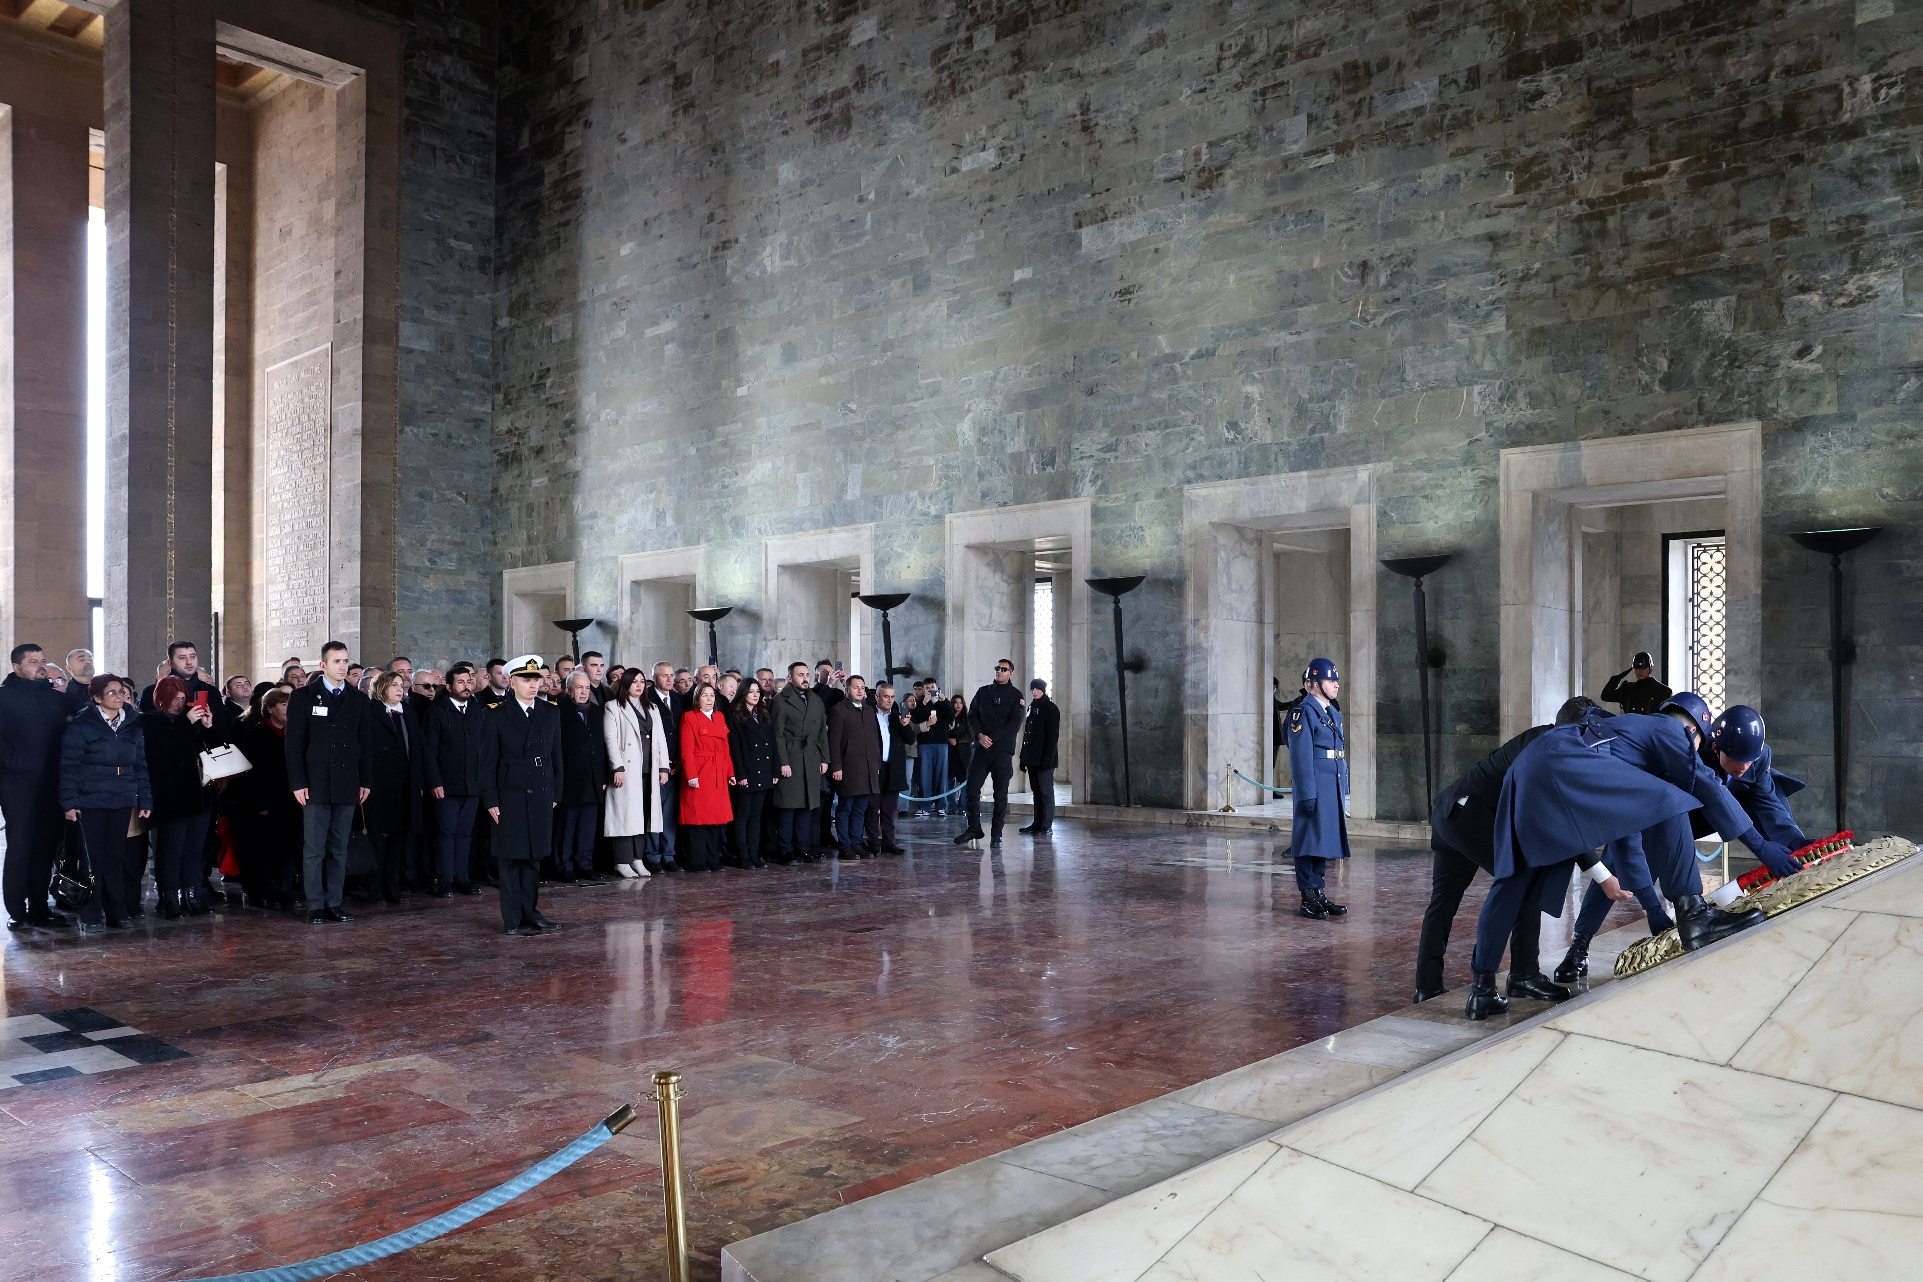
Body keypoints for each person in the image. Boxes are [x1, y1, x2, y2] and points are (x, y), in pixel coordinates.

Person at [1466, 701, 1776, 1019]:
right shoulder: (1670, 730)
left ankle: (1482, 990)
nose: (1695, 753)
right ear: (1693, 730)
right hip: (1562, 759)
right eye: (1698, 745)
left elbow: (1626, 840)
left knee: (1513, 881)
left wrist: (1653, 909)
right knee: (1672, 799)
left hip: (1533, 765)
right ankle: (1694, 914)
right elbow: (1705, 784)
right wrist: (1761, 846)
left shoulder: (1626, 749)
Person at [1554, 700, 1808, 983]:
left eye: (1750, 759)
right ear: (1715, 745)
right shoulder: (1672, 750)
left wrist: (1798, 845)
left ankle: (1697, 910)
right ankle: (1580, 946)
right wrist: (1651, 907)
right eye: (1737, 758)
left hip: (1721, 813)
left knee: (1770, 810)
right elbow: (1633, 833)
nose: (1744, 766)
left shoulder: (1754, 756)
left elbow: (1769, 805)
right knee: (1616, 863)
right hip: (1673, 811)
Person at [1414, 696, 1607, 1003]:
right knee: (1524, 882)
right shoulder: (1549, 751)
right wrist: (1601, 873)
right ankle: (1523, 975)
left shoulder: (1545, 739)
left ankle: (1427, 987)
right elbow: (1564, 821)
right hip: (1471, 818)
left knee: (1443, 903)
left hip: (1451, 812)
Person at [285, 640, 374, 925]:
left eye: (345, 661)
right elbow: (294, 746)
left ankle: (334, 903)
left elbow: (365, 745)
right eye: (337, 661)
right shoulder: (303, 697)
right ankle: (315, 905)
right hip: (315, 784)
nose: (343, 666)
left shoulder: (358, 699)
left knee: (339, 848)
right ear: (323, 665)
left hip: (347, 784)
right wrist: (298, 783)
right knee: (313, 849)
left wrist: (365, 781)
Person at [60, 675, 152, 928]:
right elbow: (68, 767)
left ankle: (117, 912)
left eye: (122, 692)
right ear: (97, 698)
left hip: (122, 797)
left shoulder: (133, 724)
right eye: (112, 693)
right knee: (92, 859)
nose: (120, 697)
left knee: (116, 857)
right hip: (90, 799)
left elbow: (141, 765)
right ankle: (90, 913)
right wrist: (69, 803)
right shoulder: (82, 725)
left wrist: (145, 799)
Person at [481, 656, 563, 935]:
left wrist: (556, 791)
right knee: (510, 858)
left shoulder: (550, 711)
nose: (532, 685)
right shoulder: (495, 713)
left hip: (540, 791)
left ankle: (531, 913)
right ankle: (512, 917)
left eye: (536, 679)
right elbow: (487, 762)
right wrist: (491, 799)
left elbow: (556, 756)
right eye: (526, 680)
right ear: (511, 682)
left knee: (533, 857)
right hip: (510, 792)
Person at [1, 644, 75, 929]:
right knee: (21, 848)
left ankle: (40, 907)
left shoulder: (55, 698)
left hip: (53, 785)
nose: (40, 666)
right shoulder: (4, 697)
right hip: (18, 785)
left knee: (45, 848)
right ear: (17, 667)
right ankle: (17, 911)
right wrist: (19, 763)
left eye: (43, 660)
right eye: (33, 662)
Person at [139, 674, 221, 918]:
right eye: (174, 698)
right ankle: (169, 899)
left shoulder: (190, 721)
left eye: (183, 698)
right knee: (171, 851)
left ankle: (191, 895)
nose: (178, 703)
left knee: (194, 850)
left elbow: (214, 751)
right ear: (162, 698)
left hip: (199, 795)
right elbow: (163, 755)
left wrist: (208, 728)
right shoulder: (151, 722)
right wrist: (187, 723)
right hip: (172, 797)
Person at [228, 686, 301, 910]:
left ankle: (284, 891)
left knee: (288, 851)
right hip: (262, 804)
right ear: (269, 709)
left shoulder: (295, 734)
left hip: (289, 803)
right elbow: (249, 775)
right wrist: (259, 804)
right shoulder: (255, 735)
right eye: (283, 704)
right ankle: (266, 893)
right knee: (263, 852)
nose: (288, 709)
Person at [1288, 658, 1350, 919]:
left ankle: (1319, 891)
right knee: (1307, 840)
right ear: (1313, 684)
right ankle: (1308, 896)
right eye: (1330, 680)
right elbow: (1301, 759)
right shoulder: (1302, 713)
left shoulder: (1331, 712)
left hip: (1330, 784)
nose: (1336, 684)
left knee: (1322, 841)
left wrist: (1342, 787)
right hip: (1314, 785)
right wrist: (1306, 793)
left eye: (1336, 680)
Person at [423, 662, 488, 897]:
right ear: (449, 686)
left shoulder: (477, 708)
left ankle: (462, 877)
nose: (466, 685)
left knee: (465, 833)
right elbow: (429, 751)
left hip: (472, 784)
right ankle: (444, 880)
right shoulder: (437, 711)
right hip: (446, 784)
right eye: (460, 682)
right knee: (446, 833)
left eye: (469, 681)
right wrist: (434, 781)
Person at [364, 670, 425, 904]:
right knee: (379, 837)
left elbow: (416, 750)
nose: (400, 689)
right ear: (381, 688)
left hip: (404, 785)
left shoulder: (407, 712)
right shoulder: (371, 712)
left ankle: (392, 883)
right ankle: (375, 886)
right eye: (394, 685)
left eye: (402, 685)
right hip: (380, 785)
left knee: (399, 836)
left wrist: (417, 782)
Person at [604, 666, 671, 878]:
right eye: (635, 682)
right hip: (627, 769)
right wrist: (618, 767)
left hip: (648, 768)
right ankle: (622, 861)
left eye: (642, 682)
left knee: (643, 815)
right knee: (624, 816)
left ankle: (637, 859)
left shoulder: (651, 707)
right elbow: (611, 740)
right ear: (626, 684)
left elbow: (660, 739)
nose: (639, 686)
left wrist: (663, 767)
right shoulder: (613, 707)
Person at [958, 660, 1023, 846]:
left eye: (1004, 669)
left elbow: (1014, 724)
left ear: (1011, 673)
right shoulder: (983, 692)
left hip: (1001, 751)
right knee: (971, 789)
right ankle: (974, 828)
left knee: (1000, 793)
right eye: (997, 668)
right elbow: (972, 716)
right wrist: (979, 735)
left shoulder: (1015, 695)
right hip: (980, 748)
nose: (999, 672)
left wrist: (991, 738)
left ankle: (997, 834)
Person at [771, 661, 830, 864]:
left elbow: (822, 731)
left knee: (807, 804)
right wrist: (783, 762)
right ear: (790, 678)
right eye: (800, 675)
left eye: (806, 674)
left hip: (811, 756)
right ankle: (785, 849)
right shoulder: (780, 701)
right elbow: (777, 735)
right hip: (791, 755)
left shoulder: (815, 699)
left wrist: (825, 758)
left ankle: (803, 847)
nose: (805, 678)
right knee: (788, 806)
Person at [555, 671, 608, 883]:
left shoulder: (596, 711)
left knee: (588, 827)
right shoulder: (558, 712)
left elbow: (601, 746)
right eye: (579, 687)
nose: (584, 692)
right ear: (569, 690)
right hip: (569, 780)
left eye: (586, 688)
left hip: (593, 779)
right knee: (567, 827)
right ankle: (564, 866)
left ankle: (585, 864)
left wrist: (603, 775)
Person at [676, 681, 733, 872]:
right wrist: (691, 774)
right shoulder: (689, 718)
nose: (709, 699)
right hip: (700, 773)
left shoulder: (719, 717)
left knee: (715, 820)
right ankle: (696, 861)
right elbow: (687, 749)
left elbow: (725, 749)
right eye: (704, 695)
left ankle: (712, 859)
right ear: (697, 698)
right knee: (697, 820)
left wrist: (730, 772)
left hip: (717, 774)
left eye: (711, 695)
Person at [827, 675, 882, 858]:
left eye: (862, 688)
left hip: (867, 768)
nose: (860, 691)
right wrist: (836, 767)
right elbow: (834, 742)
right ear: (847, 690)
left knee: (860, 809)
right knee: (845, 809)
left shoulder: (868, 710)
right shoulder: (839, 711)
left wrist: (876, 764)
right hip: (848, 768)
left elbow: (874, 739)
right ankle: (845, 845)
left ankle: (856, 842)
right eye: (856, 687)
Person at [728, 680, 778, 868]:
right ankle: (743, 855)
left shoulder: (764, 714)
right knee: (743, 816)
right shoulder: (735, 715)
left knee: (756, 816)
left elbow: (772, 744)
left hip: (763, 771)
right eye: (751, 692)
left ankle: (754, 853)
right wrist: (740, 773)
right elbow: (736, 747)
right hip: (747, 771)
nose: (755, 695)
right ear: (743, 694)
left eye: (757, 691)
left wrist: (774, 769)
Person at [646, 662, 686, 864]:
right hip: (654, 764)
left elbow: (683, 732)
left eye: (671, 675)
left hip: (676, 765)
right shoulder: (647, 699)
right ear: (654, 678)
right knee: (655, 811)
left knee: (670, 812)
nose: (669, 679)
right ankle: (653, 856)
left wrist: (680, 760)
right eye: (664, 676)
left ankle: (669, 854)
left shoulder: (679, 700)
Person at [1018, 678, 1061, 836]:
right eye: (1032, 689)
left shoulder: (1050, 708)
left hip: (1044, 759)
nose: (1034, 691)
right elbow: (1027, 735)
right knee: (1036, 792)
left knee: (1046, 792)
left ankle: (1046, 824)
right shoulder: (1032, 707)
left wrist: (1048, 759)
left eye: (1037, 689)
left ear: (1043, 690)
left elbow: (1052, 737)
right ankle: (1037, 823)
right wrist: (1024, 758)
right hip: (1032, 758)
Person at [871, 682, 909, 855]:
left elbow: (910, 739)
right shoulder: (869, 714)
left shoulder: (897, 716)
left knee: (889, 808)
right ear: (877, 697)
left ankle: (888, 842)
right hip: (875, 767)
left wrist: (905, 724)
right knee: (872, 807)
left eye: (892, 697)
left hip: (893, 768)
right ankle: (872, 842)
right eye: (886, 696)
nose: (890, 700)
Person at [1600, 651, 1671, 714]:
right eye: (1637, 668)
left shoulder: (1662, 691)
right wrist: (1617, 678)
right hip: (1629, 727)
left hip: (1651, 728)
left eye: (1643, 668)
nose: (1640, 671)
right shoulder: (1628, 689)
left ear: (1650, 670)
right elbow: (1606, 696)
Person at [946, 693, 973, 803]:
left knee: (964, 779)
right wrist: (949, 740)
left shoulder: (967, 718)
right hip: (950, 752)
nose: (958, 705)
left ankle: (963, 805)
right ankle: (952, 805)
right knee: (949, 779)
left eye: (960, 703)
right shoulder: (948, 718)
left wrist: (958, 741)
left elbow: (971, 736)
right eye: (956, 703)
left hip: (963, 752)